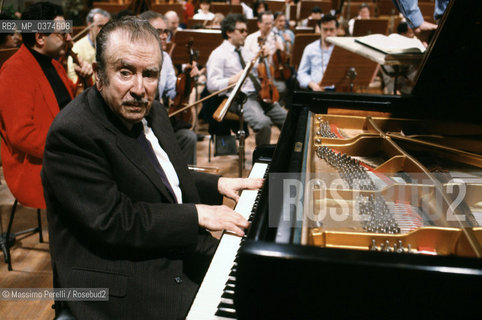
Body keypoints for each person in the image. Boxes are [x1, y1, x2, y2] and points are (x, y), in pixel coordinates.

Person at [42, 16, 262, 319]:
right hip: (120, 276)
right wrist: (198, 213)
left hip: (169, 246)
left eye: (150, 74)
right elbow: (115, 220)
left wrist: (218, 185)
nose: (139, 88)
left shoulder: (153, 110)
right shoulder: (73, 133)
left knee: (266, 278)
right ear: (98, 74)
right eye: (125, 72)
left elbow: (160, 174)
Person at [0, 2, 92, 209]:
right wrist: (70, 148)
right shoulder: (14, 71)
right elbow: (21, 135)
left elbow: (69, 109)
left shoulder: (54, 65)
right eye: (62, 34)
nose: (69, 38)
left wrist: (85, 80)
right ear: (40, 37)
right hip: (38, 166)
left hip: (63, 153)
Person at [206, 14, 287, 146]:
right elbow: (211, 85)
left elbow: (257, 70)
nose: (245, 34)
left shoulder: (244, 50)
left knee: (288, 119)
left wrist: (263, 58)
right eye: (241, 31)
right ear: (229, 32)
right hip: (240, 97)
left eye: (246, 31)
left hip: (260, 94)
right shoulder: (218, 54)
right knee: (263, 123)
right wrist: (233, 79)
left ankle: (286, 156)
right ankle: (261, 159)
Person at [140, 10, 198, 165]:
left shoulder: (165, 57)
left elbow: (173, 91)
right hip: (139, 120)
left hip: (157, 118)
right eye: (158, 32)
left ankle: (187, 182)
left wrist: (187, 77)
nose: (165, 36)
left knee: (188, 137)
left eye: (166, 32)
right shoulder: (136, 58)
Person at [244, 11, 287, 105]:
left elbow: (280, 64)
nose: (270, 26)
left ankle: (274, 106)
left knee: (282, 87)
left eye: (271, 23)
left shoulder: (276, 39)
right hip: (253, 75)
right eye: (266, 23)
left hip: (270, 76)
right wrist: (259, 55)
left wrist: (279, 52)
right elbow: (245, 61)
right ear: (259, 24)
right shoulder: (250, 39)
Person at [67, 8, 110, 84]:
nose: (104, 30)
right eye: (100, 26)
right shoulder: (77, 48)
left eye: (107, 27)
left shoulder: (111, 46)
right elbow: (72, 77)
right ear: (90, 25)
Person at [296, 14, 337, 91]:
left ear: (337, 30)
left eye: (331, 30)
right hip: (316, 90)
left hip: (338, 90)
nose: (328, 33)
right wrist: (311, 84)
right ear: (320, 30)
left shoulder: (342, 48)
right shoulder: (310, 48)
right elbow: (301, 73)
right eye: (325, 30)